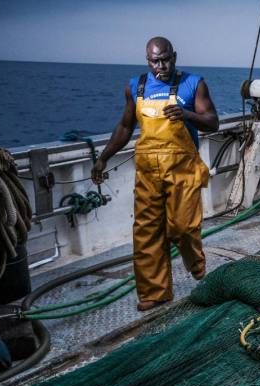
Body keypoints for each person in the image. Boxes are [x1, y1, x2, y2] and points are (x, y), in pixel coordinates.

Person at [92, 37, 219, 311]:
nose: (160, 66)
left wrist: (186, 114)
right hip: (148, 171)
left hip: (182, 168)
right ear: (147, 60)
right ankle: (155, 291)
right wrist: (103, 158)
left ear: (175, 55)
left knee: (183, 227)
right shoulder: (136, 86)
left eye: (165, 59)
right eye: (154, 60)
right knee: (147, 231)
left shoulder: (193, 83)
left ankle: (196, 264)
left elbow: (212, 122)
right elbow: (125, 127)